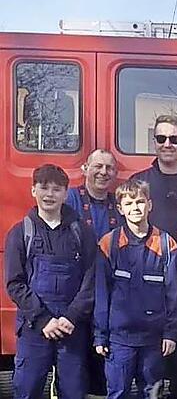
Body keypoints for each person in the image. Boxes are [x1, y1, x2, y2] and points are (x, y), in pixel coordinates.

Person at [5, 164, 97, 399]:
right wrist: (43, 319)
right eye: (44, 188)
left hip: (71, 329)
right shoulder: (20, 233)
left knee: (74, 392)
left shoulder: (81, 232)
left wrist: (71, 317)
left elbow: (90, 279)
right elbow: (15, 283)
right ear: (33, 190)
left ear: (66, 194)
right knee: (27, 390)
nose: (50, 195)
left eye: (57, 189)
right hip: (34, 328)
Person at [131, 115, 177, 398]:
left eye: (174, 139)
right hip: (146, 288)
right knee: (149, 370)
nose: (167, 144)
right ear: (154, 142)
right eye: (161, 139)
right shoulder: (139, 183)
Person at [94, 179, 177, 398]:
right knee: (118, 392)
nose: (135, 208)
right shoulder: (109, 244)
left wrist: (171, 333)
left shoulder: (166, 244)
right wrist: (100, 335)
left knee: (152, 393)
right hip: (119, 341)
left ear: (150, 205)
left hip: (153, 341)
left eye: (140, 202)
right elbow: (100, 294)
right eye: (129, 204)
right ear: (120, 209)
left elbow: (176, 295)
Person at [65, 149, 121, 398]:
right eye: (97, 166)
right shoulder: (69, 200)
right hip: (74, 296)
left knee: (101, 368)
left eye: (109, 168)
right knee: (73, 369)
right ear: (85, 169)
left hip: (106, 298)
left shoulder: (118, 206)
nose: (103, 172)